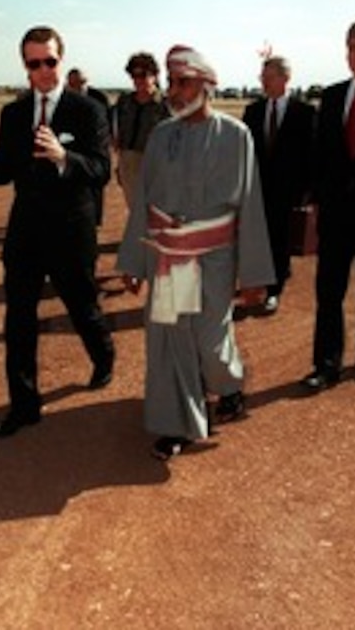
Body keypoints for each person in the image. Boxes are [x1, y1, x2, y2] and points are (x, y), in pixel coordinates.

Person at [0, 25, 116, 438]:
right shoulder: (14, 113)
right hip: (25, 233)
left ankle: (104, 354)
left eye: (50, 61)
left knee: (82, 307)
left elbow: (100, 171)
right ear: (25, 67)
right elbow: (4, 172)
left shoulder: (88, 110)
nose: (43, 70)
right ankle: (24, 405)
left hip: (71, 232)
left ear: (61, 59)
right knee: (19, 320)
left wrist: (65, 158)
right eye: (34, 63)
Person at [117, 45, 274, 460]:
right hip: (169, 258)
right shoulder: (161, 136)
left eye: (184, 82)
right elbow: (144, 202)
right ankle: (177, 425)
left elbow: (250, 206)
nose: (175, 91)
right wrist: (133, 260)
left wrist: (255, 274)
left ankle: (230, 384)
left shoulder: (236, 136)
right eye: (171, 83)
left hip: (215, 258)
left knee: (210, 338)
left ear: (208, 85)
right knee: (171, 340)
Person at [302, 18, 355, 391]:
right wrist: (317, 199)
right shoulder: (333, 96)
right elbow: (321, 155)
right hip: (336, 215)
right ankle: (326, 363)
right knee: (329, 291)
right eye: (354, 48)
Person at [242, 56, 316, 312]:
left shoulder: (305, 113)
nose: (263, 81)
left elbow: (312, 154)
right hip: (257, 189)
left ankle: (274, 290)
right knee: (258, 237)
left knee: (281, 238)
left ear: (285, 79)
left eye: (269, 76)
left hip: (289, 190)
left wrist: (308, 190)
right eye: (262, 77)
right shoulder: (253, 111)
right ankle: (263, 278)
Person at [113, 52, 169, 209]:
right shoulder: (124, 102)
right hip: (128, 162)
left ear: (155, 75)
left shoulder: (165, 105)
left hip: (155, 164)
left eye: (143, 75)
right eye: (134, 75)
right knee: (134, 210)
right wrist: (120, 165)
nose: (138, 80)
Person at [65, 67, 111, 225]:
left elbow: (109, 121)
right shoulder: (64, 99)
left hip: (96, 146)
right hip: (72, 148)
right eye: (73, 84)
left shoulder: (99, 98)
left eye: (81, 82)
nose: (78, 87)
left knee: (96, 181)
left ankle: (95, 219)